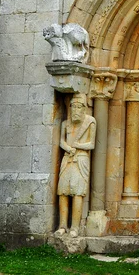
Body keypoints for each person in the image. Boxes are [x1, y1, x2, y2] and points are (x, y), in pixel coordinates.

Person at [55, 93, 96, 238]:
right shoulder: (65, 124)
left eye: (79, 107)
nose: (75, 110)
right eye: (73, 107)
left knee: (78, 192)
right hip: (67, 159)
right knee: (63, 191)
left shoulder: (90, 122)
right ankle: (62, 225)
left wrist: (78, 145)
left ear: (84, 108)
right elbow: (61, 141)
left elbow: (91, 144)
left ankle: (75, 228)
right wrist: (67, 148)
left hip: (81, 159)